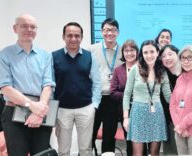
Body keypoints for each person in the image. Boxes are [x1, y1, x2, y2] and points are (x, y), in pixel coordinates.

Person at [0, 14, 56, 155]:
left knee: (41, 153)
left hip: (42, 112)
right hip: (13, 112)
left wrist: (39, 109)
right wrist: (32, 106)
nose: (29, 29)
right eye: (24, 26)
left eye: (32, 27)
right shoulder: (4, 55)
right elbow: (5, 87)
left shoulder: (45, 56)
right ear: (15, 28)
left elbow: (48, 85)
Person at [52, 22, 101, 156]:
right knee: (63, 149)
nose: (73, 39)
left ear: (82, 37)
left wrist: (94, 106)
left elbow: (97, 83)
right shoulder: (53, 57)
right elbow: (49, 85)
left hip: (85, 108)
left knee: (86, 149)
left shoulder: (89, 56)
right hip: (62, 110)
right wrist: (52, 109)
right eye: (69, 35)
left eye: (77, 36)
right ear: (63, 37)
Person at [122, 40, 171, 156]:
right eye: (145, 52)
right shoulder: (135, 69)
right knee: (138, 154)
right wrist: (125, 117)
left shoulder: (162, 71)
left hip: (156, 114)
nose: (149, 55)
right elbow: (127, 94)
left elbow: (169, 97)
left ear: (157, 52)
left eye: (152, 52)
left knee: (154, 153)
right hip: (138, 112)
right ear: (142, 54)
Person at [88, 18, 122, 155]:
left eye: (113, 30)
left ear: (118, 32)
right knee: (89, 134)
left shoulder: (123, 51)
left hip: (113, 99)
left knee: (109, 135)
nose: (110, 33)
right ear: (102, 32)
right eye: (107, 30)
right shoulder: (91, 49)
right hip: (95, 98)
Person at [109, 39, 139, 156]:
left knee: (143, 141)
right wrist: (129, 96)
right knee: (130, 142)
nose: (129, 53)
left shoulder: (143, 67)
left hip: (142, 109)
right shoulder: (118, 70)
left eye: (132, 50)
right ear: (123, 53)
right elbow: (113, 92)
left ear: (137, 52)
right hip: (125, 111)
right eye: (126, 51)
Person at [159, 44, 180, 155]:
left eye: (170, 54)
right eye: (163, 56)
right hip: (167, 117)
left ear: (177, 54)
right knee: (170, 150)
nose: (167, 58)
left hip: (185, 117)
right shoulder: (161, 73)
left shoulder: (186, 72)